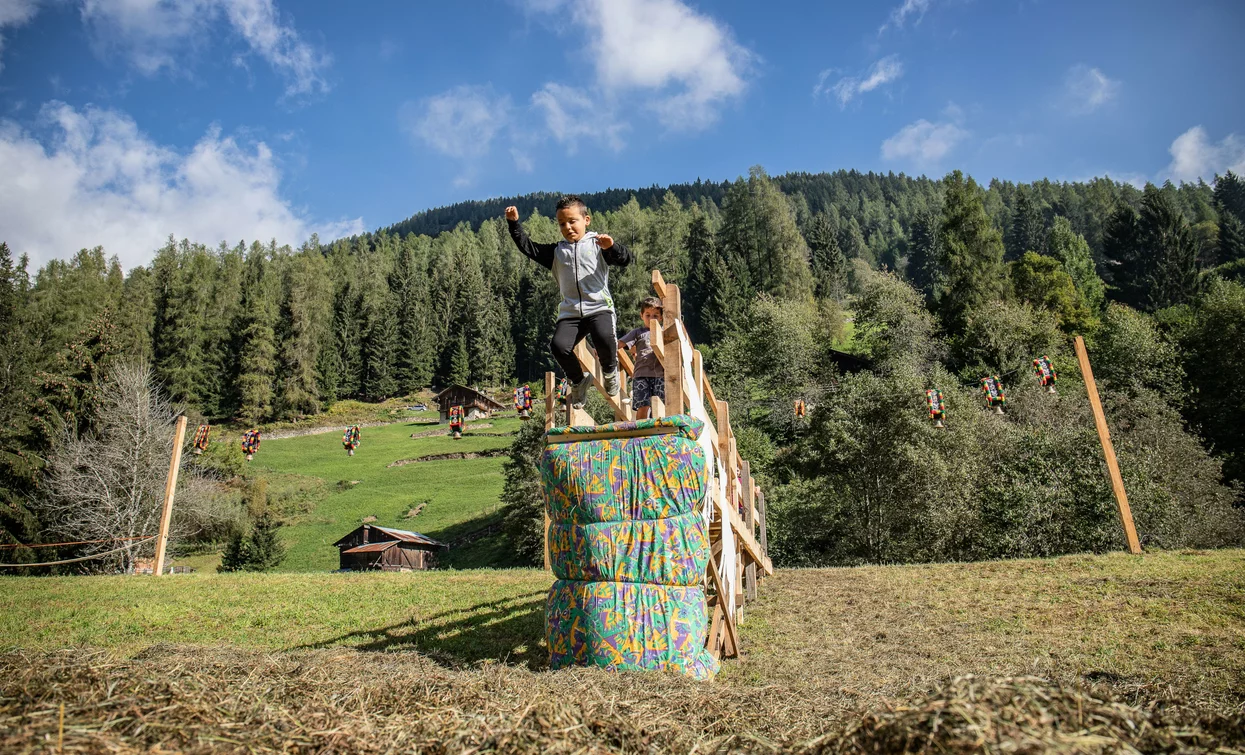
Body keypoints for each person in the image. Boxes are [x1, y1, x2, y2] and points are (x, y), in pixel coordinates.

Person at [505, 196, 633, 407]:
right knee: (559, 346)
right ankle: (579, 381)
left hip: (599, 307)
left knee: (603, 337)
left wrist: (612, 247)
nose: (568, 227)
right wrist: (513, 223)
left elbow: (625, 259)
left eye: (572, 221)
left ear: (586, 220)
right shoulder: (556, 253)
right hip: (571, 312)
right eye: (562, 223)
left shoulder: (597, 245)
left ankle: (610, 373)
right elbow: (527, 246)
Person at [618, 297, 665, 420]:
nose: (651, 319)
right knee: (643, 405)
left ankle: (660, 432)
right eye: (648, 315)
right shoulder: (638, 332)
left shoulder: (664, 332)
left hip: (660, 375)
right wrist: (602, 349)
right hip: (641, 374)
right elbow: (620, 344)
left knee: (660, 405)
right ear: (641, 316)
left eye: (655, 315)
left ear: (661, 317)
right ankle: (641, 432)